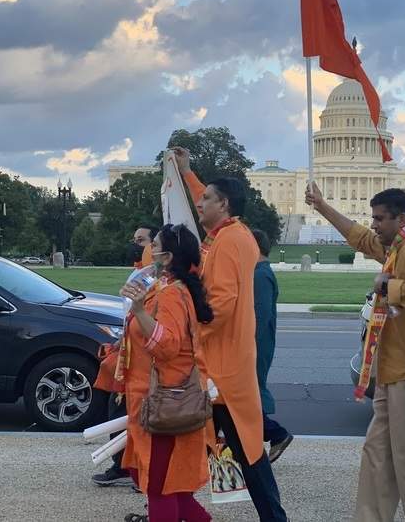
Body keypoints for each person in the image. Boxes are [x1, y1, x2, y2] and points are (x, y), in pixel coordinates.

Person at [305, 182, 405, 522]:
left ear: (400, 218)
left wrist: (388, 286)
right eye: (373, 217)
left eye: (379, 218)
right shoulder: (398, 246)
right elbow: (360, 238)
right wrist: (322, 206)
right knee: (377, 454)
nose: (374, 224)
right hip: (391, 370)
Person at [172, 147, 288, 522]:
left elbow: (219, 304)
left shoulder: (229, 241)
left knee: (239, 449)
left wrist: (191, 331)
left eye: (206, 199)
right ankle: (178, 509)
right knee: (233, 448)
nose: (199, 202)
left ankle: (177, 509)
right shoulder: (230, 235)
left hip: (221, 369)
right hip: (225, 366)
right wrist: (188, 173)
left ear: (223, 205)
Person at [117, 223, 213, 522]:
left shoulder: (172, 294)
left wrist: (140, 310)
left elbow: (167, 346)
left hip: (165, 403)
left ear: (167, 256)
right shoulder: (168, 289)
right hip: (162, 400)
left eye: (153, 245)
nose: (148, 251)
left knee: (160, 486)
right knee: (174, 487)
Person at [91, 223, 163, 488]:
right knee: (118, 414)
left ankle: (140, 472)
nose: (139, 245)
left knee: (136, 420)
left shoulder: (159, 282)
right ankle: (128, 467)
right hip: (129, 360)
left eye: (145, 241)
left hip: (146, 366)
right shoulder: (141, 276)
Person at [250, 228, 294, 462]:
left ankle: (275, 433)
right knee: (250, 394)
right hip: (254, 344)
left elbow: (259, 315)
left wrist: (245, 346)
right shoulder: (257, 273)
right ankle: (265, 438)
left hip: (255, 346)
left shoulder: (260, 275)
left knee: (251, 393)